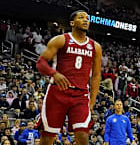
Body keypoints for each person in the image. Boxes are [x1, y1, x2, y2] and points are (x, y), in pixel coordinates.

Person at [35, 11, 102, 145]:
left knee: (83, 135)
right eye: (81, 17)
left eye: (87, 18)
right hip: (57, 92)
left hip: (80, 94)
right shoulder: (61, 39)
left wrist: (92, 101)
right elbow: (41, 63)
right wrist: (54, 73)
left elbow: (95, 76)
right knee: (48, 137)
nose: (85, 20)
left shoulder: (95, 47)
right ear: (72, 23)